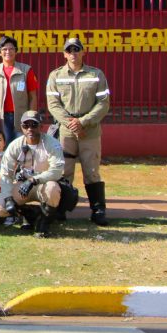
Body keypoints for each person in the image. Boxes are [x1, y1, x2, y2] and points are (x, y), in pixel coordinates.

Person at [46, 37, 111, 225]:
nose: (73, 54)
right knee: (64, 171)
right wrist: (71, 123)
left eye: (76, 50)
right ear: (64, 54)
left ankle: (98, 211)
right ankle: (61, 210)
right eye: (69, 50)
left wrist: (83, 121)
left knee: (92, 171)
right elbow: (53, 105)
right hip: (66, 131)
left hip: (90, 129)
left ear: (84, 52)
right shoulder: (56, 76)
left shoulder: (96, 75)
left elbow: (103, 103)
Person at [0, 111, 64, 238]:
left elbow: (57, 171)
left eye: (34, 125)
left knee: (52, 189)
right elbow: (5, 173)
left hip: (43, 185)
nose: (30, 129)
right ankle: (30, 214)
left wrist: (33, 180)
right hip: (22, 186)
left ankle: (44, 222)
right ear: (21, 127)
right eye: (26, 125)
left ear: (41, 126)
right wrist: (8, 198)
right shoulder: (14, 145)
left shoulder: (52, 144)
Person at [0, 35, 38, 144]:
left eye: (11, 49)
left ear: (16, 51)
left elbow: (33, 96)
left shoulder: (26, 70)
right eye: (4, 49)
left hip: (21, 117)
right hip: (1, 118)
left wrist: (31, 117)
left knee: (21, 146)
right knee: (3, 147)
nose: (8, 51)